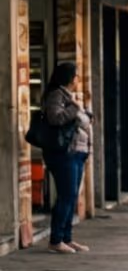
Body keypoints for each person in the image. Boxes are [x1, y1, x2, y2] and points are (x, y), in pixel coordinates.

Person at [41, 62, 92, 254]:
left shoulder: (69, 96)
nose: (78, 78)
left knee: (71, 197)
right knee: (66, 195)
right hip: (64, 153)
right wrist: (75, 109)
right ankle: (56, 239)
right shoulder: (57, 94)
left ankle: (66, 238)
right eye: (76, 75)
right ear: (69, 77)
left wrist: (83, 111)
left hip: (77, 152)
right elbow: (55, 118)